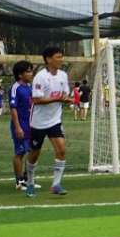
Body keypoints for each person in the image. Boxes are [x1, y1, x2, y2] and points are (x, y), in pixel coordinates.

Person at [25, 46, 72, 197]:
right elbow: (36, 99)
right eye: (58, 57)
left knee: (61, 150)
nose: (61, 59)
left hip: (54, 120)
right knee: (34, 153)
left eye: (61, 56)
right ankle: (30, 183)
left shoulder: (63, 75)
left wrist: (66, 98)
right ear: (48, 59)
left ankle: (56, 184)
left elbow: (65, 94)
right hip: (38, 122)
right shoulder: (40, 77)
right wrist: (57, 99)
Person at [9, 61, 37, 190]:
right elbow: (13, 108)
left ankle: (28, 179)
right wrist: (17, 127)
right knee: (19, 152)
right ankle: (19, 181)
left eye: (31, 71)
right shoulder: (15, 88)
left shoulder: (30, 87)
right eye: (28, 71)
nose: (31, 73)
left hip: (31, 124)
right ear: (20, 74)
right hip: (20, 124)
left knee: (32, 151)